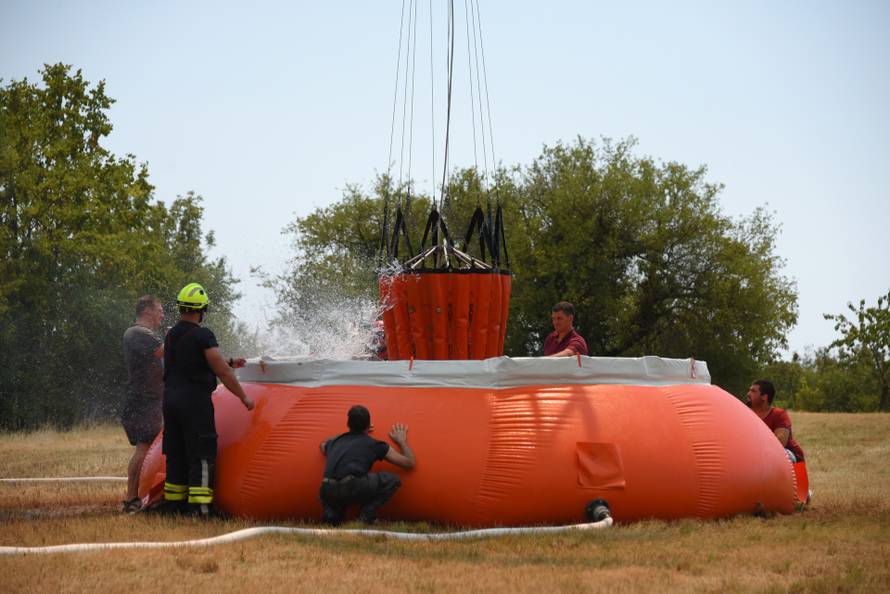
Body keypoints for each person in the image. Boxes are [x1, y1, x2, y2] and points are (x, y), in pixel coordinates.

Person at [161, 282, 255, 517]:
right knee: (201, 454)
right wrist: (244, 397)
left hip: (170, 402)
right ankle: (201, 509)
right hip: (194, 403)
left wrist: (230, 361)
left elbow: (189, 362)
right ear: (201, 310)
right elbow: (221, 371)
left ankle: (174, 507)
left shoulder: (171, 335)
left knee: (176, 453)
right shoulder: (203, 334)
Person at [318, 405, 415, 525]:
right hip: (350, 487)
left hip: (326, 490)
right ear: (368, 425)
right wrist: (402, 442)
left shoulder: (335, 441)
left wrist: (344, 436)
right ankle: (366, 516)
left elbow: (322, 445)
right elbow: (409, 463)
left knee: (334, 517)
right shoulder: (373, 444)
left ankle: (332, 517)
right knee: (391, 480)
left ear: (348, 424)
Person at [121, 295, 165, 513]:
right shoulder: (137, 333)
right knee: (143, 447)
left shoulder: (145, 335)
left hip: (148, 401)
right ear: (147, 311)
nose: (162, 315)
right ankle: (131, 499)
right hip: (142, 402)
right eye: (159, 310)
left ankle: (140, 495)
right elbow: (164, 351)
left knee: (146, 448)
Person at [747, 379, 805, 462]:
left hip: (792, 460)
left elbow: (780, 444)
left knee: (783, 455)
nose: (748, 394)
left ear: (764, 397)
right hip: (760, 455)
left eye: (753, 391)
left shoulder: (779, 414)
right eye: (749, 391)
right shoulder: (747, 414)